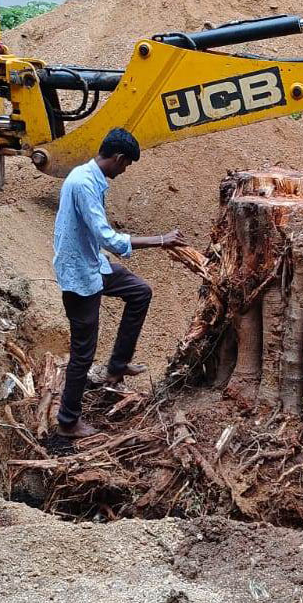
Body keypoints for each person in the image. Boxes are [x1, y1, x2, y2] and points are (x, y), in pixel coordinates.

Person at [51, 128, 186, 438]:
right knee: (83, 353)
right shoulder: (84, 183)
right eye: (125, 165)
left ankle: (117, 365)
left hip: (92, 264)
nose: (124, 171)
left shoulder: (91, 177)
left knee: (140, 292)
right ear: (118, 158)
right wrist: (160, 240)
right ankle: (68, 422)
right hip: (79, 275)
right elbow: (107, 238)